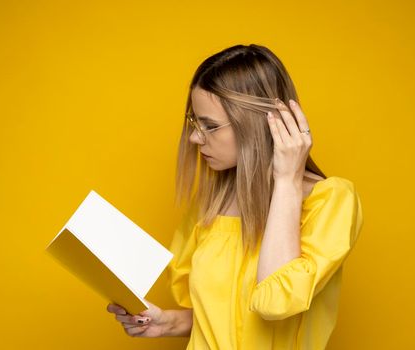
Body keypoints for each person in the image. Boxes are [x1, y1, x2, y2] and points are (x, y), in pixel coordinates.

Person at [106, 44, 364, 349]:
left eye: (210, 126)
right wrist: (168, 323)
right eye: (194, 122)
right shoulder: (210, 205)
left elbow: (275, 302)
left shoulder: (330, 201)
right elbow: (226, 317)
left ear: (258, 123)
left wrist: (286, 181)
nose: (194, 137)